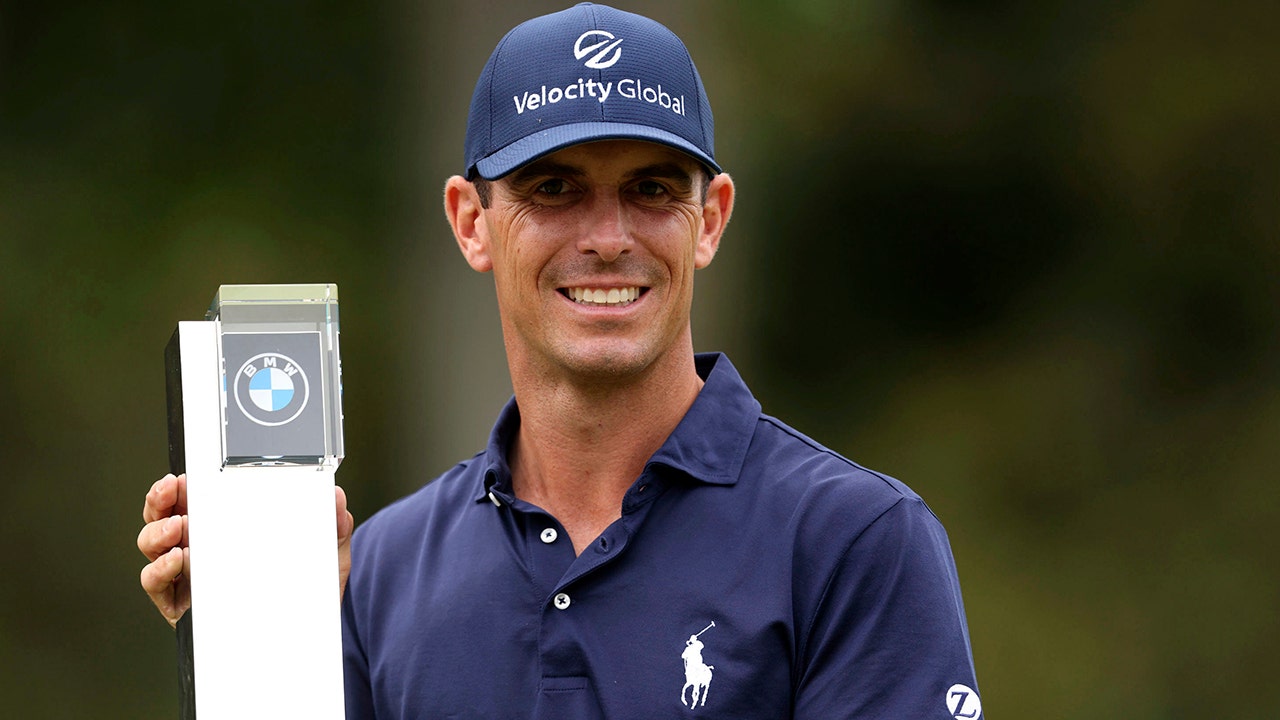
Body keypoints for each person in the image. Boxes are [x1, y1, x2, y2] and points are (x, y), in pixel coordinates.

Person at [138, 4, 982, 718]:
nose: (608, 238)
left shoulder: (855, 541)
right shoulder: (383, 570)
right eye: (553, 188)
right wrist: (263, 659)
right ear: (471, 222)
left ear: (711, 219)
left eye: (652, 189)